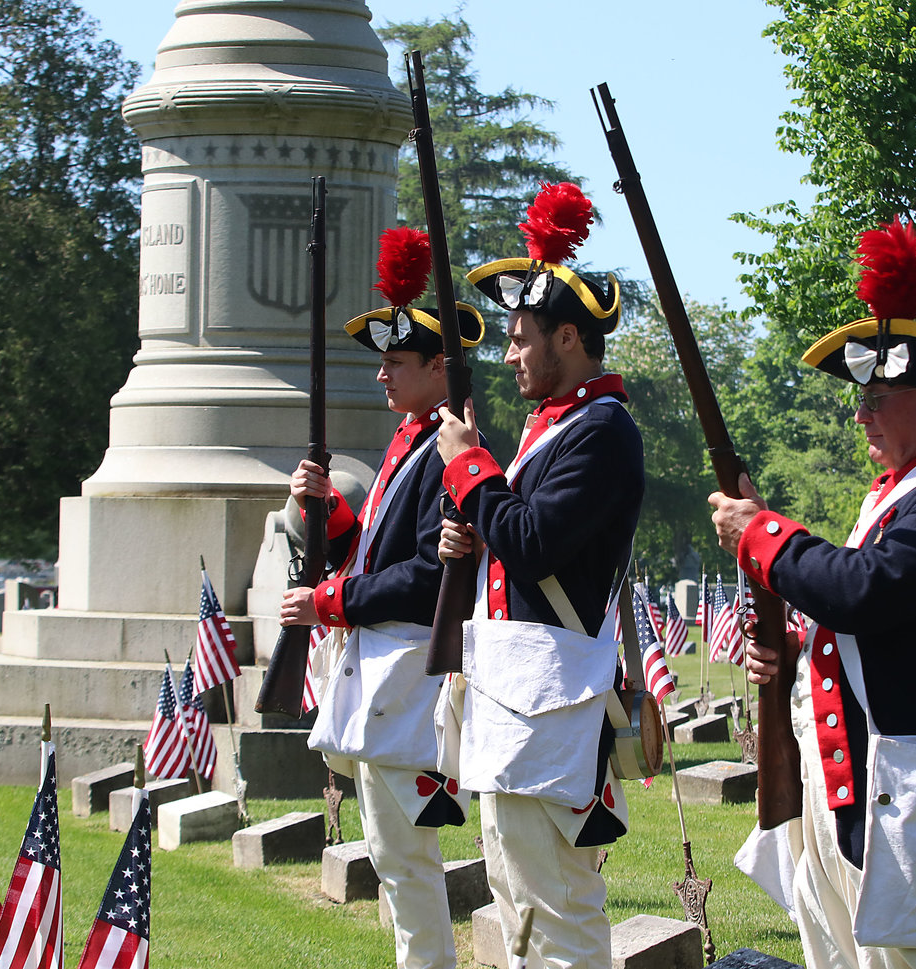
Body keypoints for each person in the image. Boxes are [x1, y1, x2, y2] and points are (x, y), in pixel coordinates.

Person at [709, 221, 916, 969]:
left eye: (878, 397)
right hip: (862, 785)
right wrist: (794, 647)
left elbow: (867, 592)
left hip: (912, 792)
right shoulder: (903, 491)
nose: (861, 414)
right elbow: (877, 622)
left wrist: (761, 534)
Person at [434, 182, 644, 966]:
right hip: (514, 702)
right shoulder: (553, 430)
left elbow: (534, 541)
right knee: (520, 912)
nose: (510, 353)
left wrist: (470, 471)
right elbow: (510, 542)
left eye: (523, 338)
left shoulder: (602, 431)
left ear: (568, 338)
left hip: (548, 705)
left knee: (559, 917)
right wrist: (473, 527)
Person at [278, 226, 484, 969]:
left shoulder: (449, 449)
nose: (381, 375)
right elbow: (375, 549)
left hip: (408, 678)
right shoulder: (412, 439)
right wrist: (329, 511)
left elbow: (430, 576)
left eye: (396, 362)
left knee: (406, 860)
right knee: (394, 860)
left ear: (438, 366)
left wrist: (329, 600)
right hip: (383, 677)